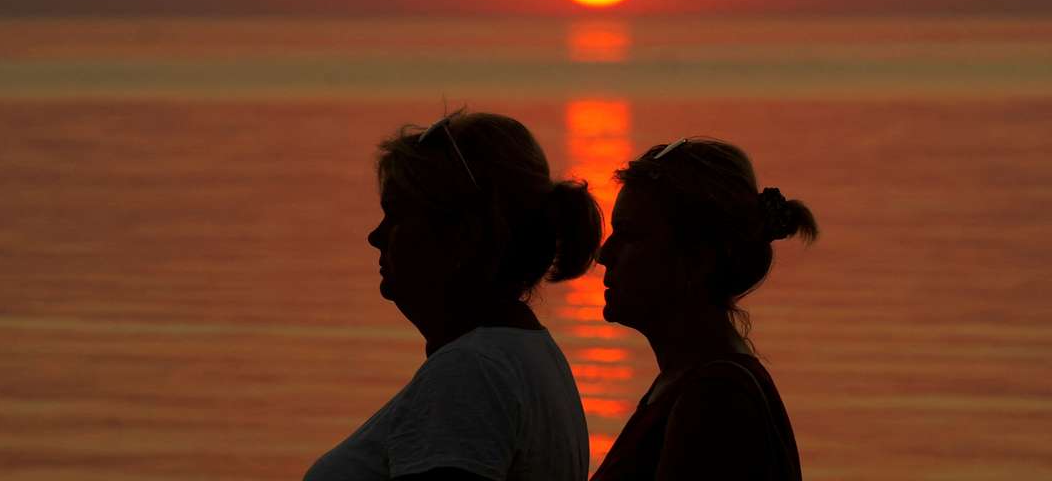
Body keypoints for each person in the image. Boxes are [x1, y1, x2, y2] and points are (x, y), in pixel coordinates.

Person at [304, 110, 602, 481]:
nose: (376, 236)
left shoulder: (471, 373)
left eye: (396, 215)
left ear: (461, 236)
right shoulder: (528, 358)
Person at [591, 137, 818, 481]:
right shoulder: (686, 385)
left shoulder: (716, 400)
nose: (604, 255)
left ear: (697, 260)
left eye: (629, 235)